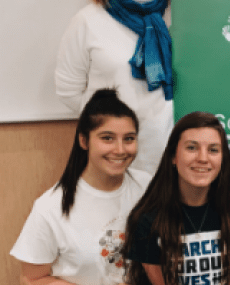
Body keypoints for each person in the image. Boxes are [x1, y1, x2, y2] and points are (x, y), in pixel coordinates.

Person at [55, 0, 173, 175]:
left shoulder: (176, 16)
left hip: (169, 153)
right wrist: (108, 126)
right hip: (115, 157)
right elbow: (68, 91)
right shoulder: (88, 20)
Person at [10, 88, 151, 285]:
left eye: (129, 138)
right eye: (107, 138)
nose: (120, 150)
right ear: (84, 140)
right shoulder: (49, 208)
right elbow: (31, 279)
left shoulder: (148, 187)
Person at [124, 111, 230, 285]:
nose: (202, 158)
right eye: (191, 147)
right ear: (173, 156)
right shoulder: (146, 219)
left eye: (213, 150)